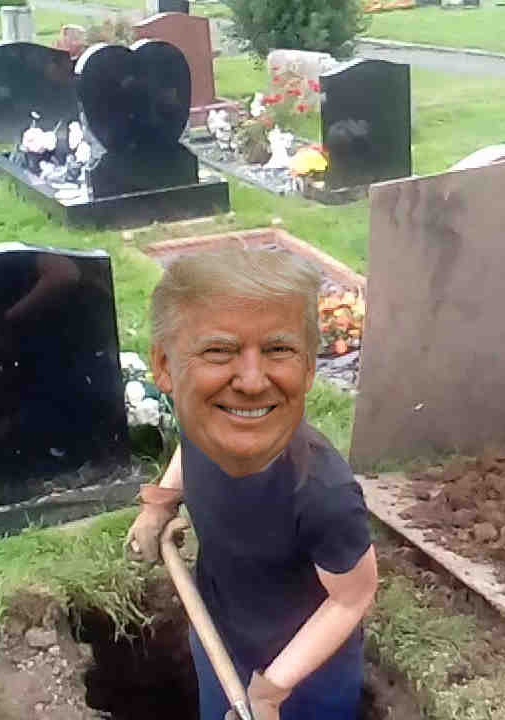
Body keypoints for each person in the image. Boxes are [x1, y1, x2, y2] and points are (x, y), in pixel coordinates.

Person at [125, 248, 378, 720]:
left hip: (305, 677)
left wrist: (270, 692)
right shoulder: (208, 418)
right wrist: (160, 502)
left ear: (308, 367)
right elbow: (189, 445)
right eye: (218, 352)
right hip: (220, 641)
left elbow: (353, 596)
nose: (250, 382)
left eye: (277, 350)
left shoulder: (321, 491)